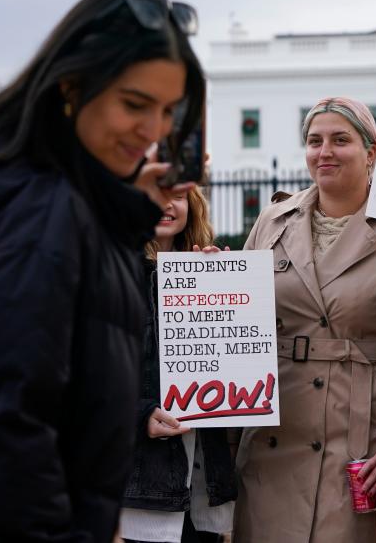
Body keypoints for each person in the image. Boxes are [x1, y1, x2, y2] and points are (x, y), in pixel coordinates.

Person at [0, 0, 204, 541]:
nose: (154, 130)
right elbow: (4, 425)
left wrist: (125, 210)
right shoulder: (36, 206)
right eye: (135, 104)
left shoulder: (23, 175)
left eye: (169, 110)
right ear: (71, 85)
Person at [232, 97, 376, 543]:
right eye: (314, 141)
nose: (324, 152)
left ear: (372, 151)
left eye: (340, 140)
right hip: (277, 428)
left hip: (364, 433)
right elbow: (238, 323)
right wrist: (214, 279)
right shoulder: (274, 220)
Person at [120, 186, 237, 543]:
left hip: (202, 487)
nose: (167, 204)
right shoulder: (108, 274)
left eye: (178, 194)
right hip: (139, 489)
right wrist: (139, 415)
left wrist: (225, 291)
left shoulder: (210, 272)